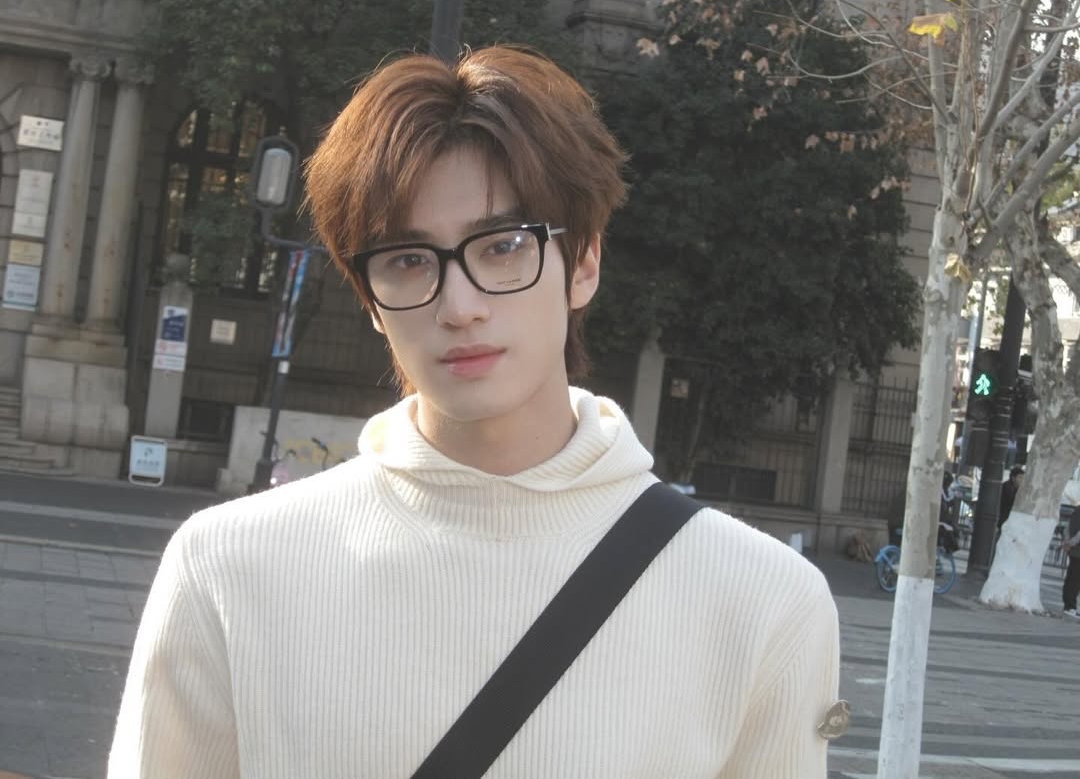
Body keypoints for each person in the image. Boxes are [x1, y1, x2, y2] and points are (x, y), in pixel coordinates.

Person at [108, 46, 841, 778]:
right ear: (370, 300)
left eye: (503, 247)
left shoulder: (763, 602)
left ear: (584, 263)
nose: (459, 306)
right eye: (407, 260)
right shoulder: (229, 569)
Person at [1062, 507, 1080, 620]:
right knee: (1074, 581)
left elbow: (1067, 529)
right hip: (1077, 552)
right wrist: (1070, 543)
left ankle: (1069, 605)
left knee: (1072, 579)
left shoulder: (1076, 511)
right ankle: (1070, 606)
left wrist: (1068, 542)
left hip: (1074, 551)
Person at [999, 466, 1023, 530]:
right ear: (1013, 478)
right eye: (1020, 477)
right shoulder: (1004, 488)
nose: (1022, 480)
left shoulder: (1020, 490)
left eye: (1023, 478)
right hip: (1001, 521)